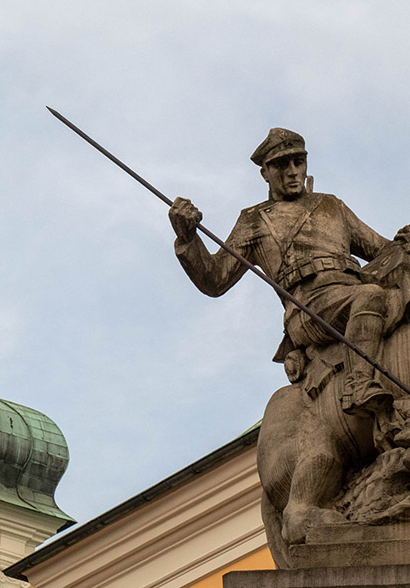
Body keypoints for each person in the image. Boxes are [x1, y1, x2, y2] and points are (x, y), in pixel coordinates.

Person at [168, 128, 395, 414]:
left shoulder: (330, 204)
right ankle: (358, 385)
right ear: (265, 172)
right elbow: (215, 279)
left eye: (298, 162)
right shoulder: (254, 220)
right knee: (370, 296)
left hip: (348, 289)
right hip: (308, 308)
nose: (292, 171)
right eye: (281, 165)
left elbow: (382, 249)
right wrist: (188, 238)